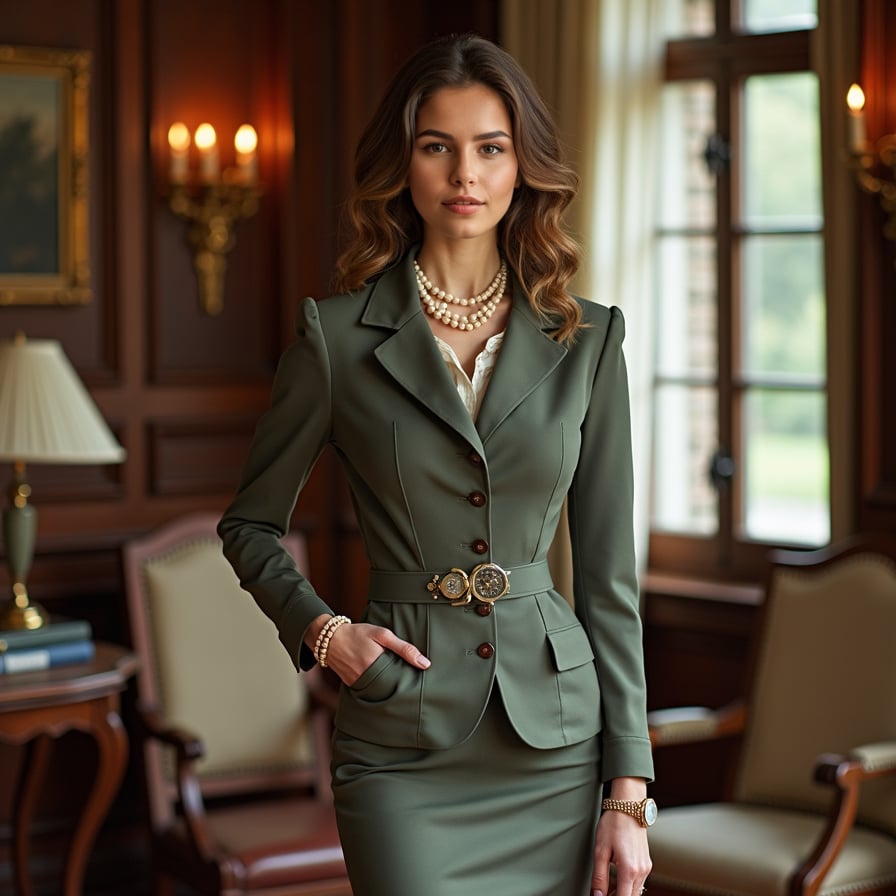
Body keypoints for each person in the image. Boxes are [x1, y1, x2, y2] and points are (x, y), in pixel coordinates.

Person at [218, 32, 654, 896]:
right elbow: (250, 526)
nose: (466, 174)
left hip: (556, 747)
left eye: (491, 149)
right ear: (405, 166)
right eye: (437, 147)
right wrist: (326, 633)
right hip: (400, 742)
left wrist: (629, 793)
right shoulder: (334, 339)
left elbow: (609, 579)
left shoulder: (590, 341)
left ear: (521, 166)